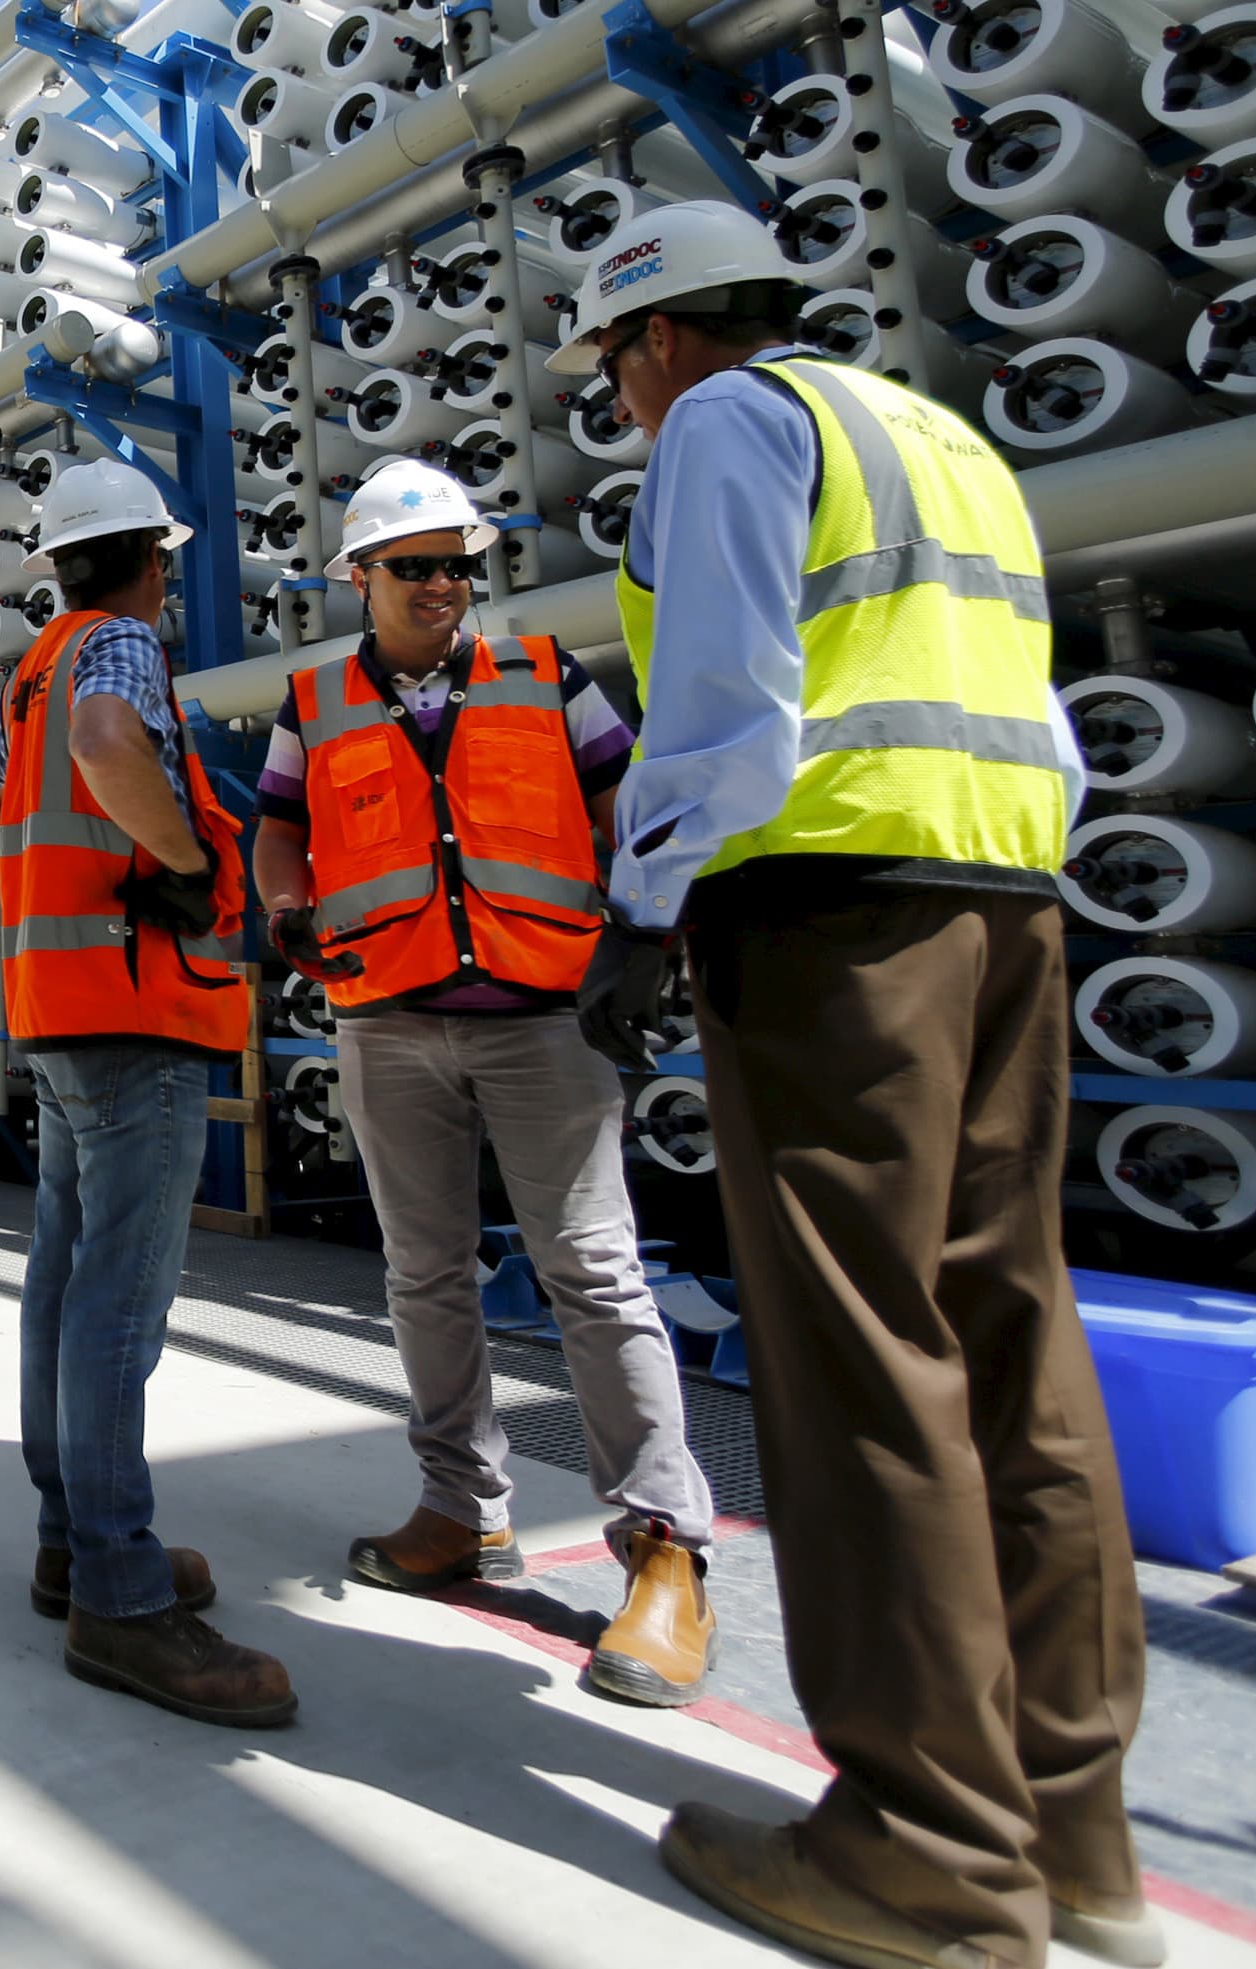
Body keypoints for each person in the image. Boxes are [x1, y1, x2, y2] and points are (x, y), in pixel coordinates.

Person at [551, 202, 1154, 1969]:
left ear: (657, 337)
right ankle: (1074, 1833)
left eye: (617, 368)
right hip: (1006, 905)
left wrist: (646, 907)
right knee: (1013, 1344)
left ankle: (924, 1851)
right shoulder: (944, 439)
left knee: (861, 1360)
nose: (626, 399)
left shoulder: (734, 423)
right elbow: (1042, 723)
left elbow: (730, 703)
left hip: (831, 920)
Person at [249, 457, 719, 1707]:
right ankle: (460, 1510)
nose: (447, 587)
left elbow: (627, 798)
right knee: (421, 1273)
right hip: (387, 1019)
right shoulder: (314, 700)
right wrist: (283, 901)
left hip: (539, 1018)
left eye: (462, 564)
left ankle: (663, 1551)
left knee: (593, 1273)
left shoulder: (544, 676)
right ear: (359, 578)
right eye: (418, 568)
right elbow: (281, 823)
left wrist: (647, 931)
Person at [0, 456, 287, 1731]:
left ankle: (67, 1544)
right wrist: (183, 854)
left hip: (51, 1007)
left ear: (58, 562)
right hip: (135, 1010)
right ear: (156, 559)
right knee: (116, 1305)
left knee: (61, 1280)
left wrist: (63, 880)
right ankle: (122, 1595)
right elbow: (107, 746)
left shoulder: (30, 666)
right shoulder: (120, 651)